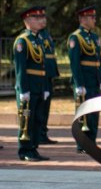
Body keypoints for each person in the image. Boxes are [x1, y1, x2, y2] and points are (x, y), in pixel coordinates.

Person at [14, 6, 49, 161]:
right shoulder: (23, 41)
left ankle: (33, 148)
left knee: (37, 119)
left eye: (41, 17)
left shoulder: (38, 39)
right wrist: (23, 89)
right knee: (26, 119)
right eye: (36, 18)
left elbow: (43, 66)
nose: (40, 20)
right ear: (27, 21)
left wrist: (45, 87)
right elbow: (21, 68)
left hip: (39, 86)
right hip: (28, 86)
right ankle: (25, 150)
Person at [68, 6, 101, 153]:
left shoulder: (94, 37)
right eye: (91, 17)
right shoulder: (76, 37)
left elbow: (98, 60)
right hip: (84, 81)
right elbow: (75, 63)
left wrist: (100, 78)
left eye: (94, 17)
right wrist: (79, 83)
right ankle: (82, 144)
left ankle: (92, 142)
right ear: (83, 19)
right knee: (83, 115)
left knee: (94, 114)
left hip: (93, 80)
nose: (94, 20)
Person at [40, 16, 59, 145]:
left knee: (45, 107)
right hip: (41, 75)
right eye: (40, 18)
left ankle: (43, 133)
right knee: (40, 107)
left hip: (48, 74)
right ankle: (38, 134)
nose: (44, 20)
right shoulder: (36, 36)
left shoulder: (45, 34)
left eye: (44, 17)